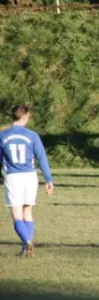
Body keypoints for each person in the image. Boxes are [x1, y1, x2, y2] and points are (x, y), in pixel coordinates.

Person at [0, 105, 54, 257]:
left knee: (17, 215)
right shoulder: (32, 135)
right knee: (27, 212)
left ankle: (27, 243)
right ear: (24, 117)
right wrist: (48, 179)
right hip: (30, 177)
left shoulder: (3, 136)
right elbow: (41, 158)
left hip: (13, 177)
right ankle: (27, 245)